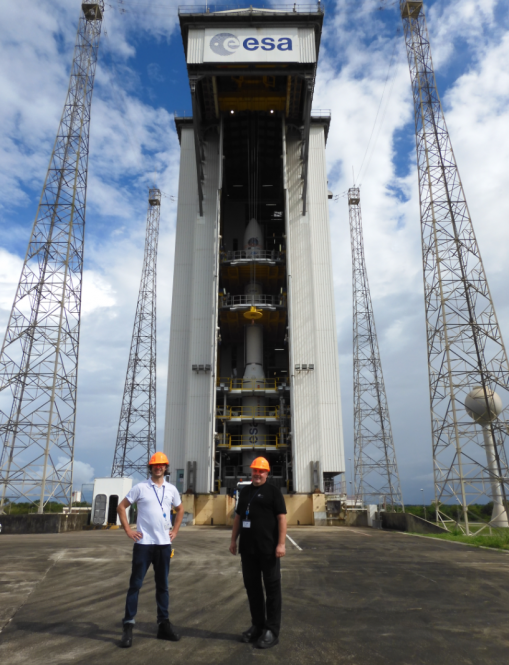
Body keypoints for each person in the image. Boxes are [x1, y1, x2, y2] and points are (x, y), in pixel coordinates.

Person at [117, 452, 184, 648]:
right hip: (143, 545)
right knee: (135, 585)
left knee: (163, 586)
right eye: (155, 465)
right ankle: (128, 626)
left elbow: (180, 510)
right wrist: (128, 530)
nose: (159, 467)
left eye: (162, 465)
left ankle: (163, 625)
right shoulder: (140, 488)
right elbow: (121, 507)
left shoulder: (172, 489)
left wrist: (176, 531)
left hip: (164, 544)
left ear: (166, 467)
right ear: (151, 467)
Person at [229, 456, 287, 649]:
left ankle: (272, 630)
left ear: (267, 473)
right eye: (255, 470)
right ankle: (257, 625)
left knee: (272, 590)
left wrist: (281, 544)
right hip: (248, 551)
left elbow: (282, 519)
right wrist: (233, 541)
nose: (257, 474)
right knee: (252, 589)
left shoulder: (273, 492)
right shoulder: (245, 492)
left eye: (261, 471)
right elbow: (238, 518)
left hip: (269, 551)